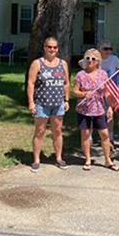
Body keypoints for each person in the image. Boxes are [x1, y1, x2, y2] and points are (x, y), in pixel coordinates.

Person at [27, 36, 70, 173]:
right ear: (44, 48)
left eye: (54, 47)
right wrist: (31, 102)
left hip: (58, 103)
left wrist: (66, 100)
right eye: (49, 47)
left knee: (57, 131)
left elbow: (66, 83)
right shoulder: (37, 63)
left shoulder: (62, 64)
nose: (52, 50)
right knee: (40, 131)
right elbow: (31, 83)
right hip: (41, 103)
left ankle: (58, 158)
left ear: (58, 49)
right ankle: (36, 160)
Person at [73, 48, 119, 172]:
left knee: (104, 134)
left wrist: (110, 106)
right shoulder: (80, 75)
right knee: (86, 134)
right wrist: (84, 94)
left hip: (99, 109)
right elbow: (75, 91)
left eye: (93, 58)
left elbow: (107, 92)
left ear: (98, 61)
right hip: (84, 110)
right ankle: (88, 159)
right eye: (87, 58)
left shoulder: (103, 74)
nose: (90, 61)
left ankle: (107, 160)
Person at [99, 39, 119, 148]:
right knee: (96, 115)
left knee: (109, 115)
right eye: (105, 48)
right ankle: (92, 138)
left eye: (110, 49)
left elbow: (118, 72)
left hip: (110, 91)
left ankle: (110, 138)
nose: (108, 51)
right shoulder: (96, 59)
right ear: (100, 50)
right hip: (97, 91)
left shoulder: (114, 59)